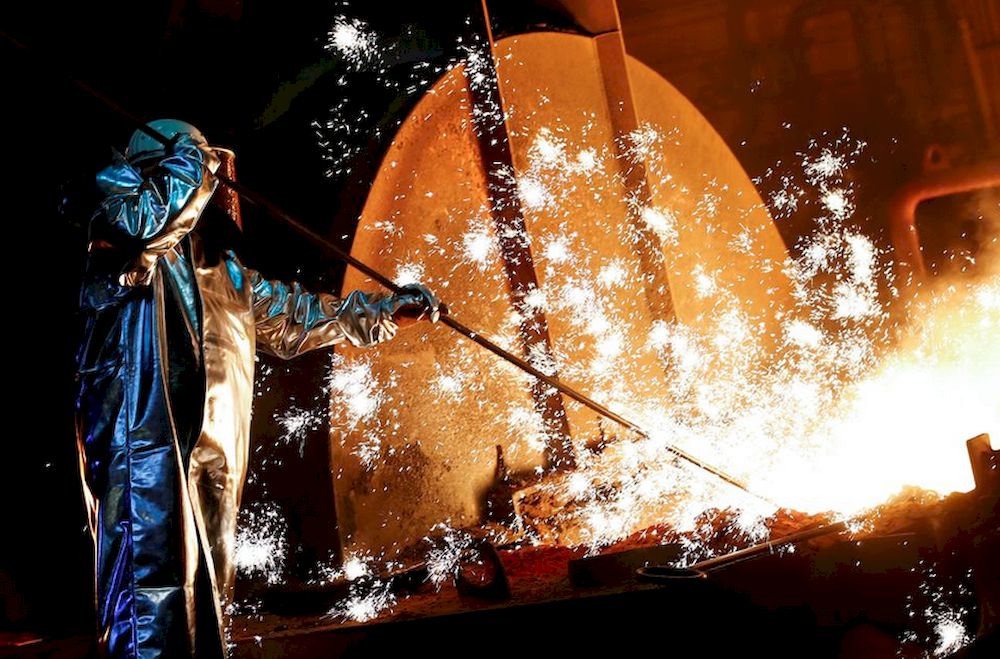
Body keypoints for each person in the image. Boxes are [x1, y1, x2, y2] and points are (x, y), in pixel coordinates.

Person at [74, 119, 439, 658]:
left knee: (206, 598)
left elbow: (301, 316)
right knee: (149, 596)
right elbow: (146, 226)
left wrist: (385, 311)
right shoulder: (119, 247)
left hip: (216, 458)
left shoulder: (229, 276)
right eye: (200, 174)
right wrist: (195, 156)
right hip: (146, 456)